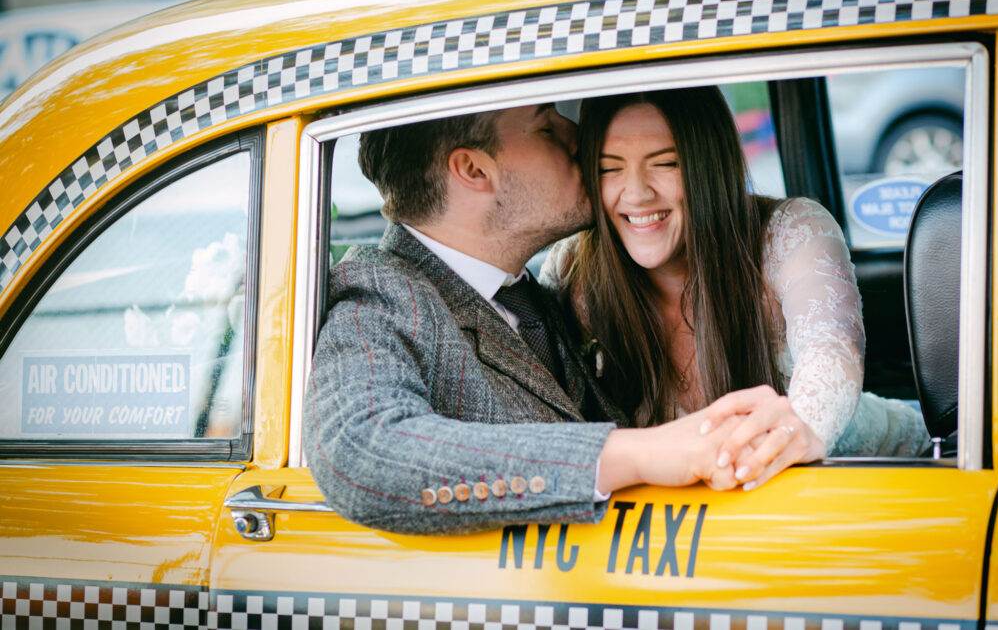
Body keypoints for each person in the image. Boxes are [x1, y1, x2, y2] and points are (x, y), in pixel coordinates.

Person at [303, 103, 789, 535]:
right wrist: (641, 452)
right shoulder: (380, 294)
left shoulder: (529, 293)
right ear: (474, 169)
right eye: (546, 126)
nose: (577, 136)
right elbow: (361, 453)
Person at [541, 87, 931, 492]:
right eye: (609, 168)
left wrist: (793, 431)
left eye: (666, 163)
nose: (637, 193)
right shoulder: (575, 270)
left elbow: (832, 352)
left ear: (708, 164)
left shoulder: (789, 232)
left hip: (884, 477)